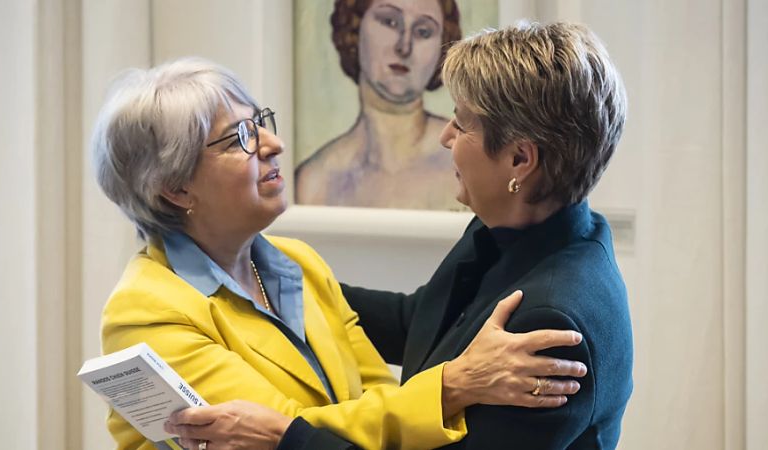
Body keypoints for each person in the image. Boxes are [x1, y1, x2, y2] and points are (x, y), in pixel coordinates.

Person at [167, 21, 634, 449]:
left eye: (462, 121)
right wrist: (271, 278)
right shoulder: (516, 230)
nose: (445, 136)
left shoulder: (549, 327)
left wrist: (283, 439)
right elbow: (421, 322)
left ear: (519, 161)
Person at [295, 0, 465, 210]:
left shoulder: (467, 160)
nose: (404, 46)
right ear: (354, 27)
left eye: (423, 31)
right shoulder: (315, 181)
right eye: (390, 22)